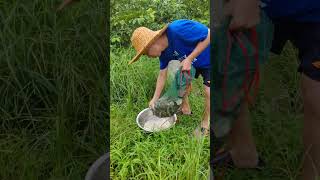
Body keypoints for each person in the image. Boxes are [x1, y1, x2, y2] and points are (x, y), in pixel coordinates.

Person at [213, 0, 320, 179]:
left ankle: (311, 175)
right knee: (227, 63)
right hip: (266, 5)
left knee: (316, 94)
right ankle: (243, 152)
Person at [129, 19, 211, 137]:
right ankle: (185, 108)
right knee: (181, 80)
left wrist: (189, 59)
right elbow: (162, 75)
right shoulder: (164, 53)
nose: (147, 56)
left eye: (145, 53)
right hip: (192, 62)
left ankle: (205, 124)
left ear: (151, 43)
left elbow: (209, 34)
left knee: (208, 92)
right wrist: (155, 98)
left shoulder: (178, 29)